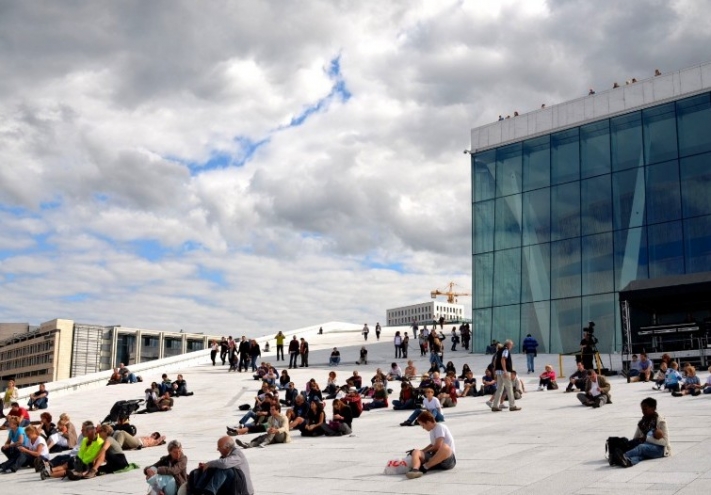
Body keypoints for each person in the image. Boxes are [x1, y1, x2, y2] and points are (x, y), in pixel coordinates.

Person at [184, 436, 253, 495]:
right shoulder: (225, 457)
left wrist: (209, 464)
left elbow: (224, 464)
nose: (217, 449)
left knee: (223, 469)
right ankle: (198, 490)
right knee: (211, 468)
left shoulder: (237, 454)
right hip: (233, 487)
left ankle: (209, 491)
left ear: (227, 447)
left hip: (243, 491)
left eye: (219, 447)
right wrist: (206, 466)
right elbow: (220, 463)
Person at [617, 397, 671, 467]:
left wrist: (647, 438)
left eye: (645, 409)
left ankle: (623, 456)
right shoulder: (642, 423)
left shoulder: (661, 421)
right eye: (642, 409)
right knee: (641, 454)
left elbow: (665, 442)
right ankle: (628, 461)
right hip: (648, 447)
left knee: (641, 448)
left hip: (660, 449)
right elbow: (635, 438)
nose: (643, 411)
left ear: (653, 408)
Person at [405, 411, 456, 479]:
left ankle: (425, 467)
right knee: (416, 451)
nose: (423, 428)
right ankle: (415, 470)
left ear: (428, 422)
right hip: (436, 460)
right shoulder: (432, 431)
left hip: (447, 459)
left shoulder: (440, 427)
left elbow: (438, 446)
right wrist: (421, 451)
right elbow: (432, 445)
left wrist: (425, 452)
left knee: (445, 447)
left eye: (423, 425)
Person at [490, 340, 521, 412]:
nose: (512, 346)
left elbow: (495, 362)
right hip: (504, 372)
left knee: (499, 388)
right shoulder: (506, 350)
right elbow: (503, 359)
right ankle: (512, 405)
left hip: (498, 371)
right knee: (509, 387)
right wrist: (505, 370)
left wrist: (495, 371)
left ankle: (495, 406)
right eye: (511, 345)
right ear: (508, 345)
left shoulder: (499, 351)